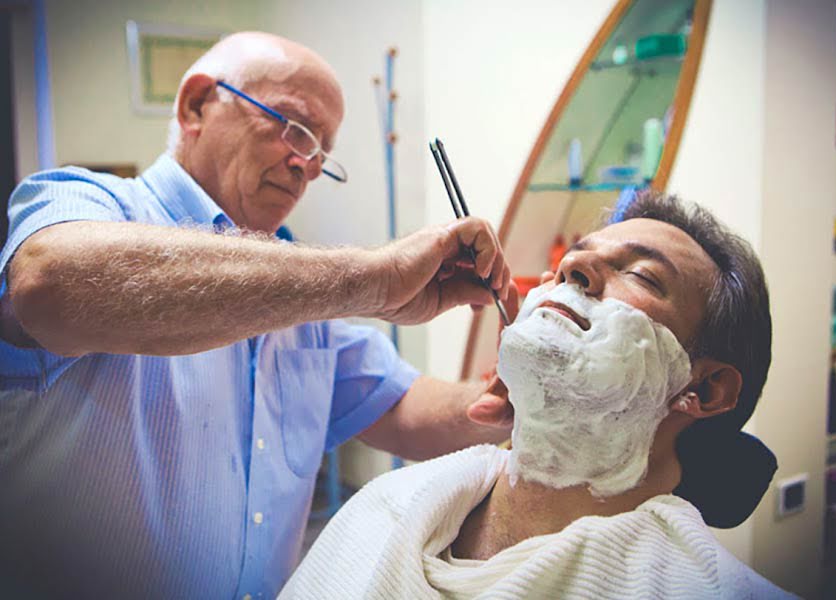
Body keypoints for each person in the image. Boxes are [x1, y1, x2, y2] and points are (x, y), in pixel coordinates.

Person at [0, 32, 515, 598]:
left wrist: (529, 399)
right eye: (293, 127)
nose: (306, 165)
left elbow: (409, 412)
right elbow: (49, 285)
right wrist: (371, 279)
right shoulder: (85, 202)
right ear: (198, 104)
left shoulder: (301, 295)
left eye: (321, 150)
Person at [283, 191, 797, 599]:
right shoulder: (384, 510)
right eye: (571, 261)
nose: (573, 268)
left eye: (641, 274)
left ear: (705, 389)